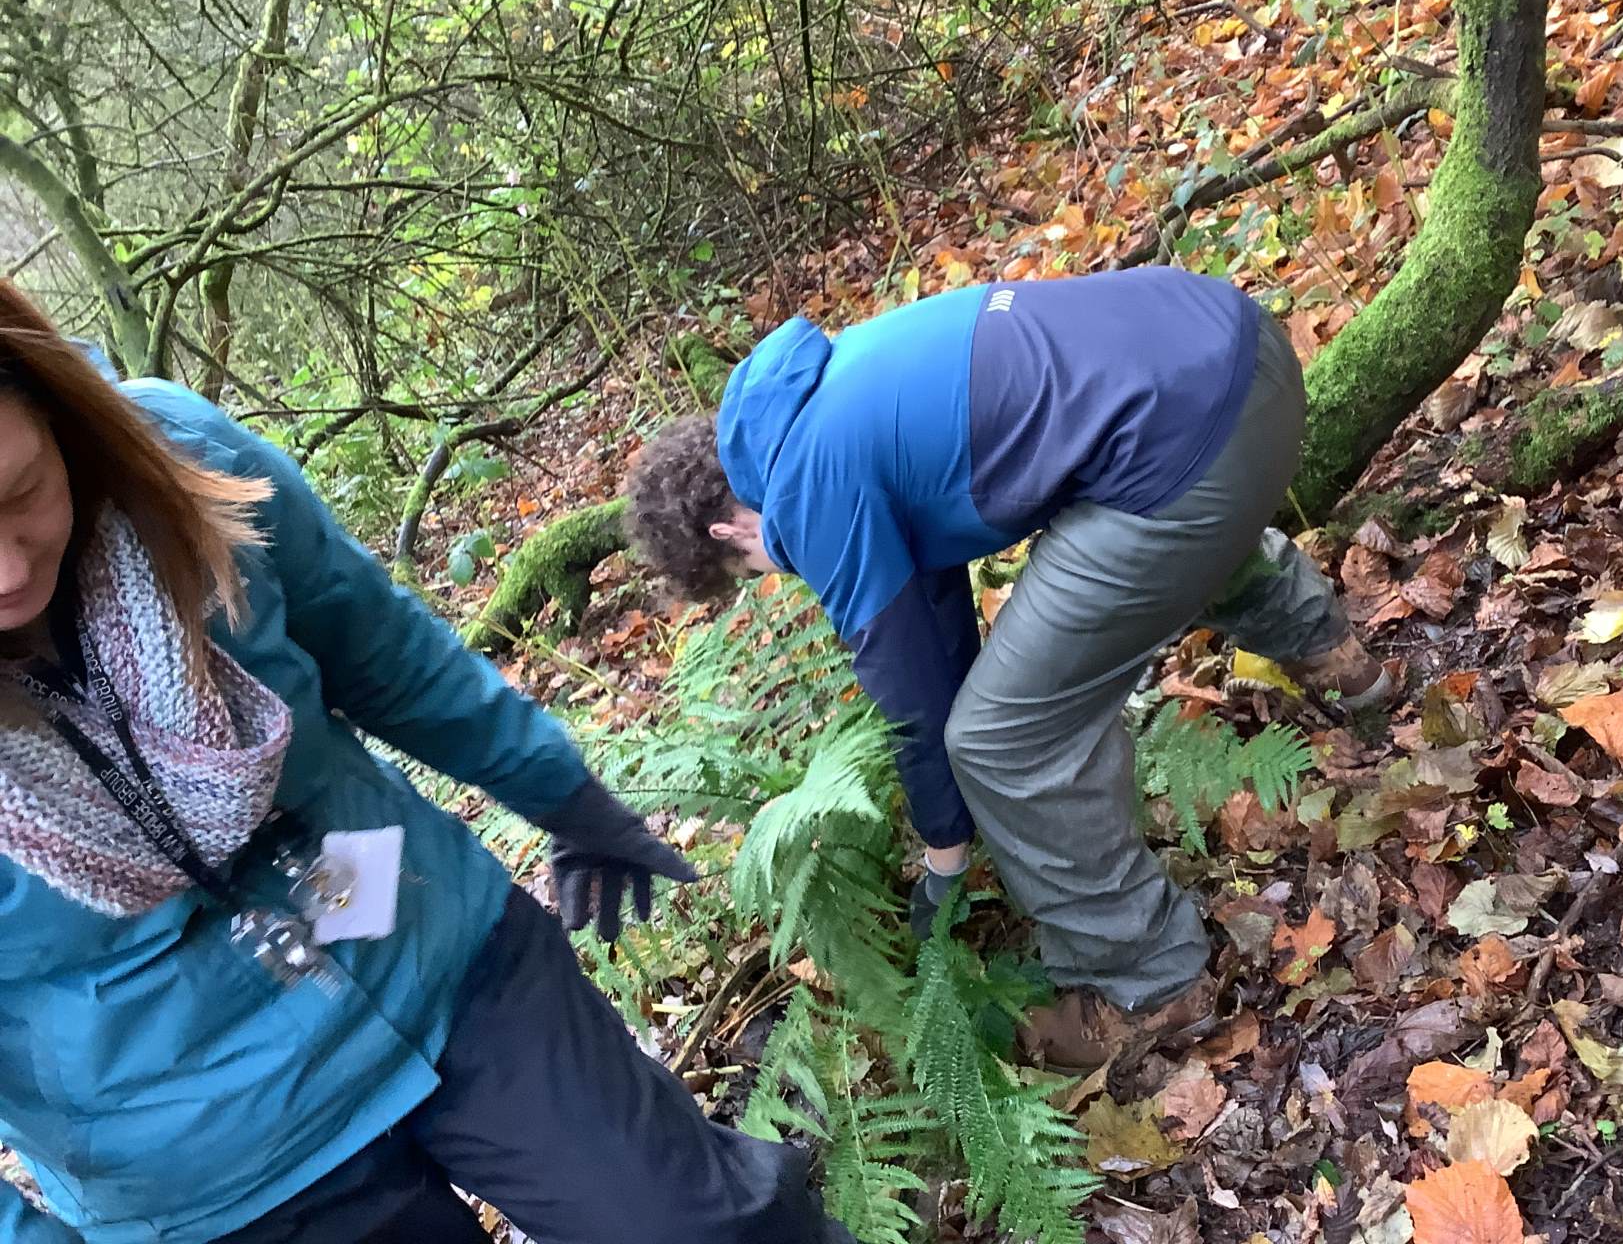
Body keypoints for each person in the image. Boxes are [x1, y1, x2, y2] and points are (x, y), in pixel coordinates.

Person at [0, 283, 850, 1244]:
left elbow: (378, 646)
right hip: (212, 1175)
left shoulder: (171, 458)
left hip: (433, 953)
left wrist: (561, 793)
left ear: (59, 411)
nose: (9, 570)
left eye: (21, 492)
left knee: (699, 1227)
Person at [622, 265, 1390, 1073]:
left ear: (726, 533)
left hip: (1186, 459)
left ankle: (1151, 982)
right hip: (1243, 354)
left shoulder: (805, 490)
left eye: (750, 569)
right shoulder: (826, 390)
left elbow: (913, 699)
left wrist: (944, 858)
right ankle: (1347, 668)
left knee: (1001, 739)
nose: (776, 571)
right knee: (1152, 541)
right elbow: (932, 631)